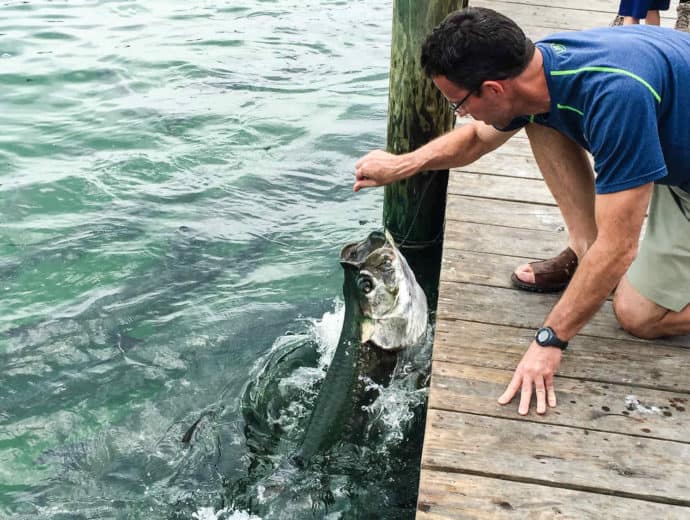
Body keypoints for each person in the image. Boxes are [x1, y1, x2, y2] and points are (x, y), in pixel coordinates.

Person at [353, 7, 690, 416]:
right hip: (671, 139)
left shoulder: (616, 97)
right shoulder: (538, 68)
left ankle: (598, 263)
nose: (463, 115)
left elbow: (622, 246)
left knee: (638, 315)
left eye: (458, 104)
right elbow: (477, 139)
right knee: (537, 117)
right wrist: (403, 164)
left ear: (493, 90)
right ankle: (587, 251)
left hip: (679, 171)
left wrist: (549, 340)